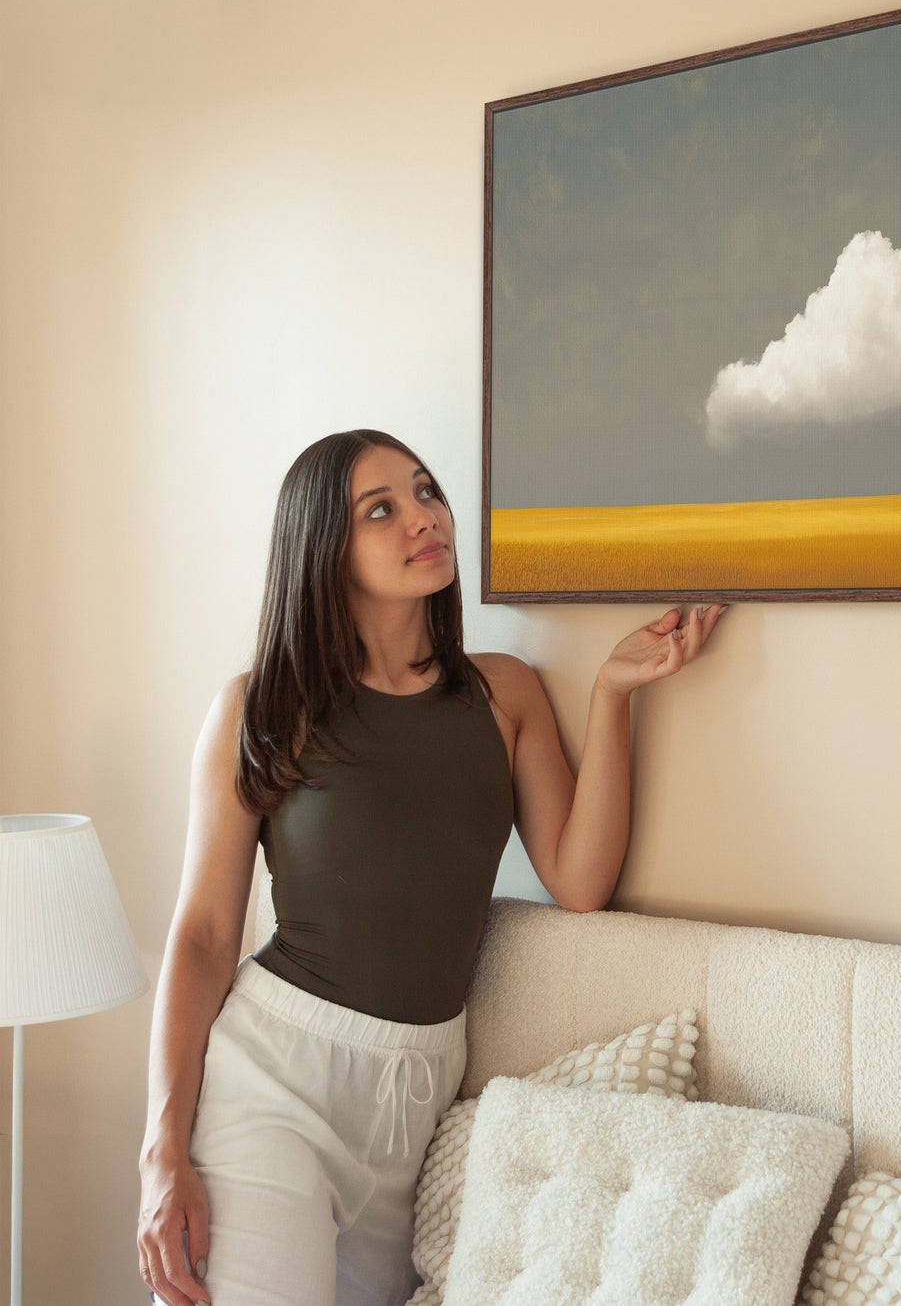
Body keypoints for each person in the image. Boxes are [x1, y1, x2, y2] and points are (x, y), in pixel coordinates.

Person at [136, 429, 726, 1306]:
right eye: (382, 509)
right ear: (324, 550)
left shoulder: (502, 693)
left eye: (424, 491)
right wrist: (162, 1150)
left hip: (418, 1094)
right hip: (273, 1083)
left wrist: (611, 695)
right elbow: (204, 936)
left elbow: (578, 880)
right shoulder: (263, 707)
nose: (424, 517)